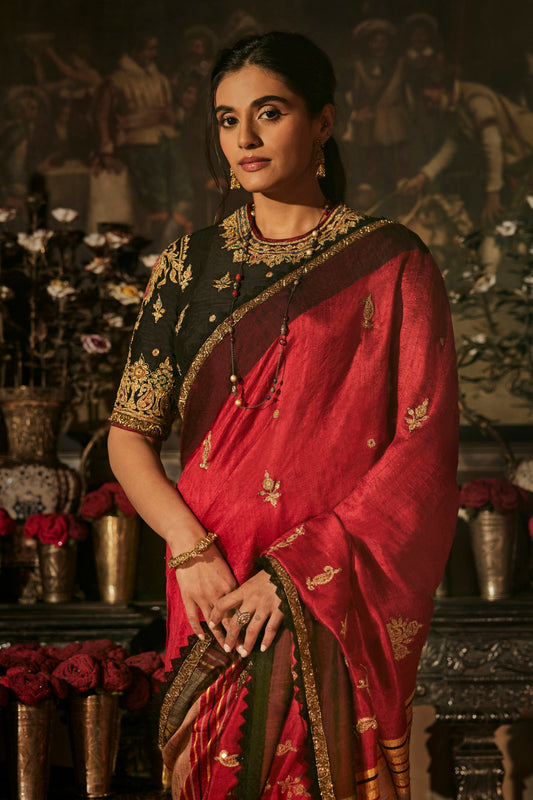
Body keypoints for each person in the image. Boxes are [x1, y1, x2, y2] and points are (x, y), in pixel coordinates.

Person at [108, 32, 459, 800]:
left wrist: (296, 576)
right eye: (227, 120)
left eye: (268, 112)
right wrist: (190, 550)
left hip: (325, 586)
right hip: (211, 582)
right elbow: (129, 434)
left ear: (323, 122)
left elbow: (420, 447)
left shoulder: (393, 262)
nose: (246, 138)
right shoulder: (188, 265)